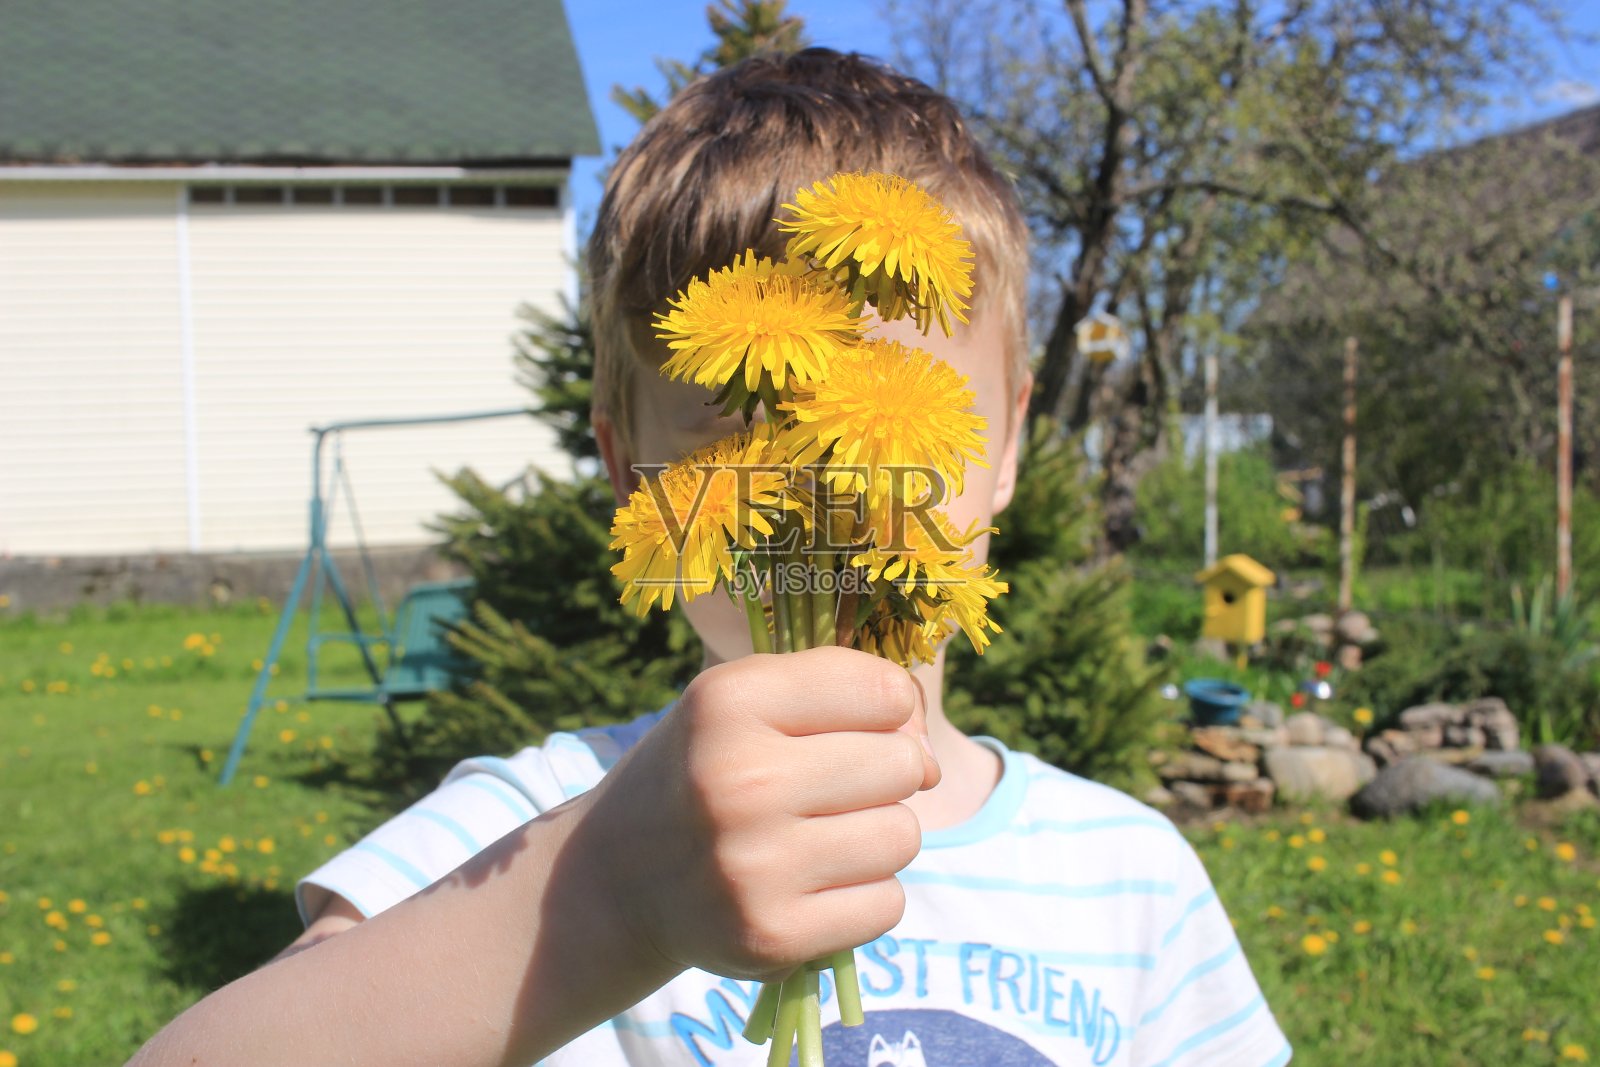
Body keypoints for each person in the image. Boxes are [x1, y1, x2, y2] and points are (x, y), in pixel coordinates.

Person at [130, 48, 1290, 1067]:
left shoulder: (1134, 880)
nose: (832, 489)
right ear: (630, 470)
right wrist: (601, 900)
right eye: (750, 424)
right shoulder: (536, 826)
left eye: (894, 418)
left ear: (1006, 446)